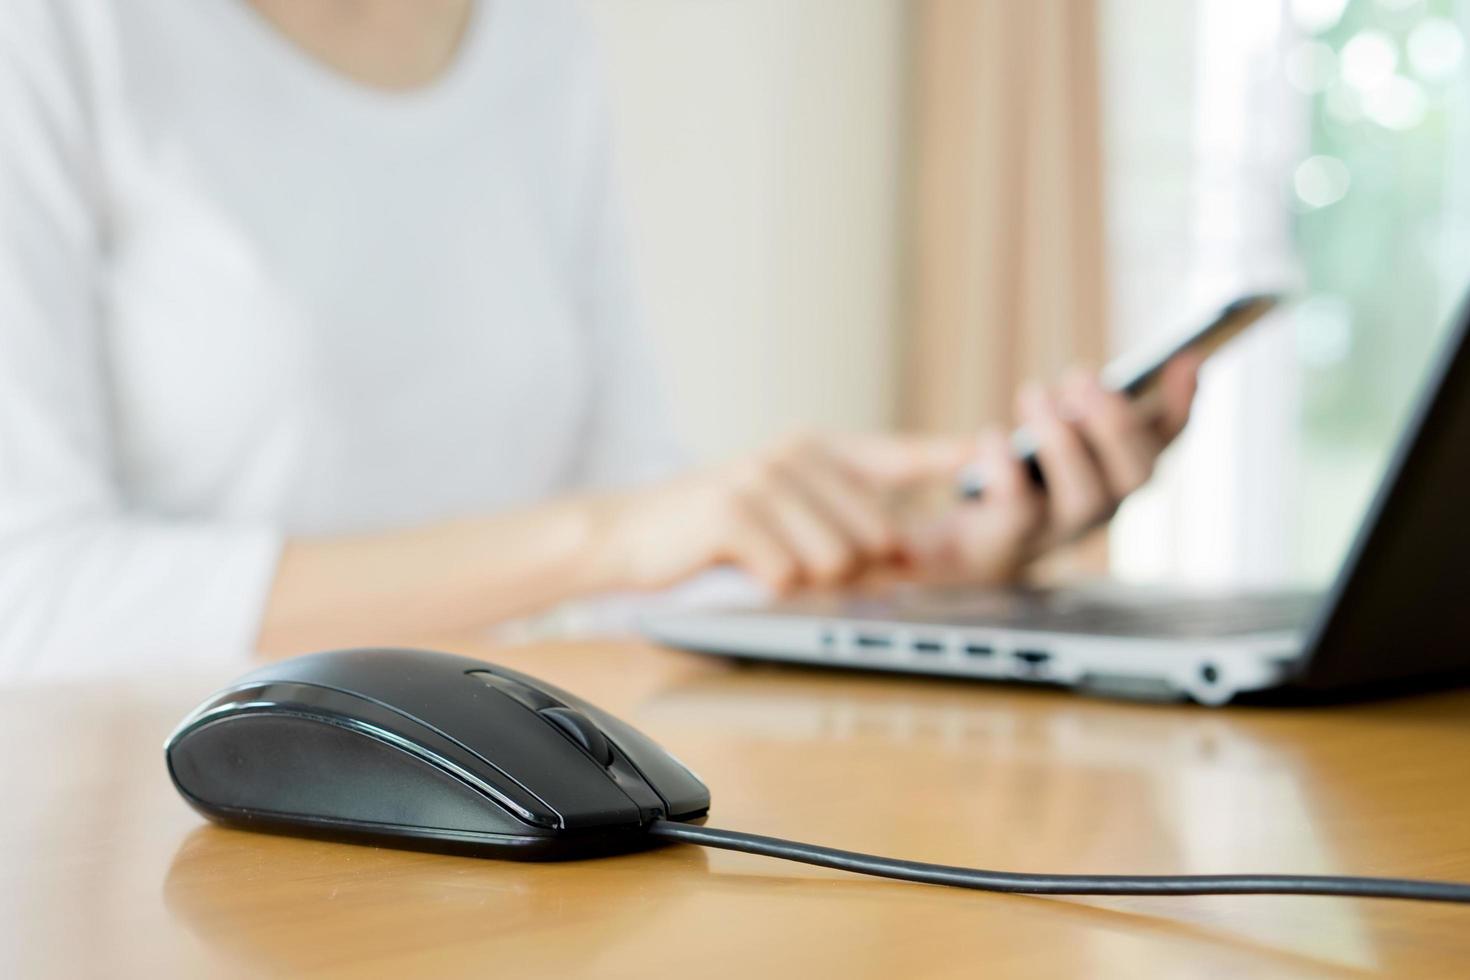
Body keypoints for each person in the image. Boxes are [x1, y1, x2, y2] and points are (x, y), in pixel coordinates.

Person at [0, 0, 1199, 678]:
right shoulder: (61, 33)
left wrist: (928, 563)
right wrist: (605, 537)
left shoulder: (534, 36)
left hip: (480, 820)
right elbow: (37, 599)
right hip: (156, 852)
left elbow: (644, 551)